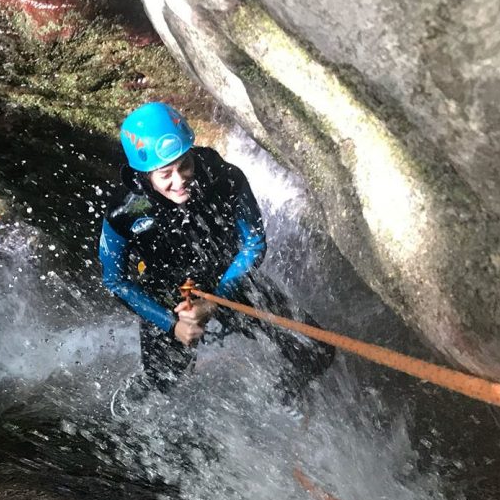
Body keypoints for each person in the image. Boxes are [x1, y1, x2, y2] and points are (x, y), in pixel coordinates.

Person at [98, 101, 333, 409]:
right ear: (144, 176)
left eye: (185, 165)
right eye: (165, 174)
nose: (180, 180)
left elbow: (253, 242)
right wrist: (171, 324)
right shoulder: (124, 213)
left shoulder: (224, 178)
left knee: (318, 348)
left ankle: (284, 396)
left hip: (228, 280)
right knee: (165, 380)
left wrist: (214, 300)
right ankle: (145, 386)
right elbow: (115, 280)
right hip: (165, 294)